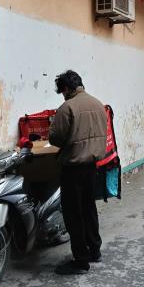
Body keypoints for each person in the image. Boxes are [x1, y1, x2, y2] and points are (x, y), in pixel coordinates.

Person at [49, 70, 107, 275]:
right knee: (89, 208)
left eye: (61, 91)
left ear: (65, 88)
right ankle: (95, 250)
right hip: (92, 167)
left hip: (73, 168)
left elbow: (56, 138)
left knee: (73, 214)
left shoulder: (67, 107)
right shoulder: (98, 104)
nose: (62, 95)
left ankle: (81, 260)